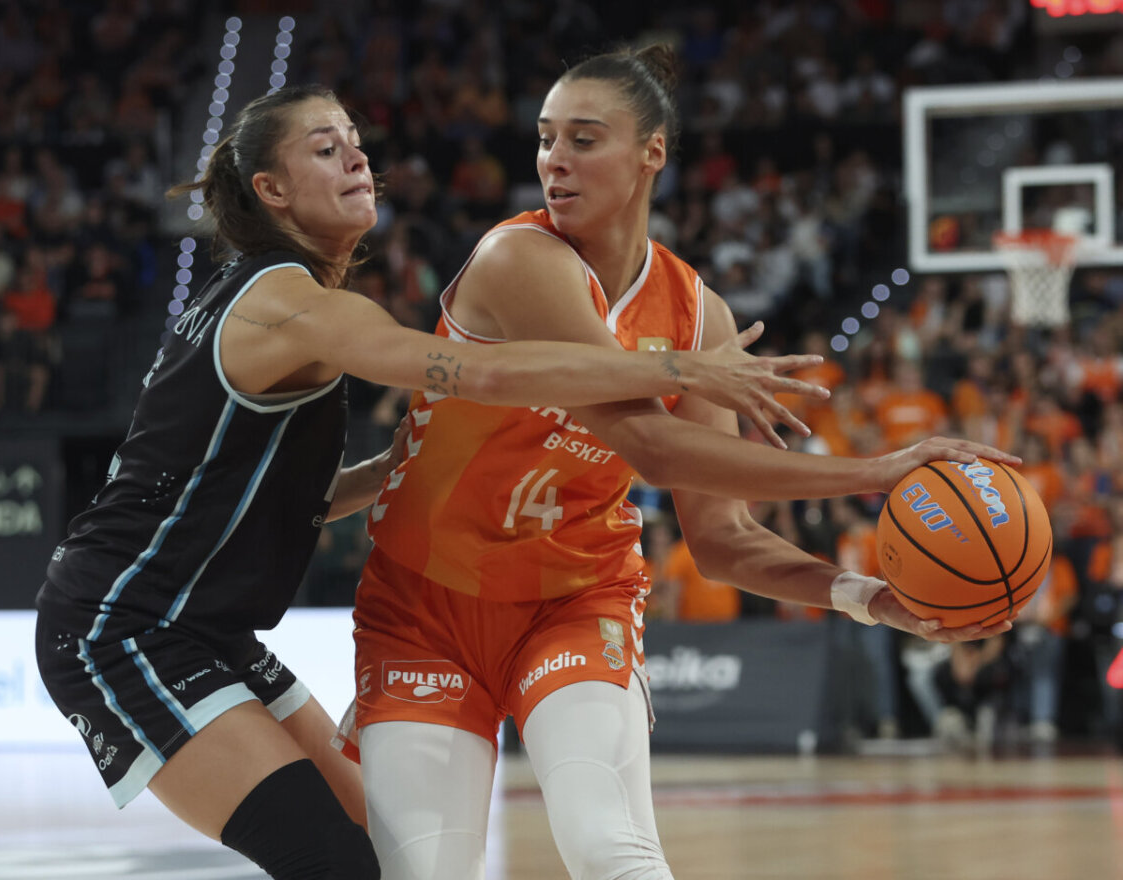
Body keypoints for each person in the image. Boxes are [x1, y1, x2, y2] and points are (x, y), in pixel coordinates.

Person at [32, 84, 835, 880]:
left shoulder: (279, 294)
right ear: (271, 192)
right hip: (121, 626)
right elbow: (481, 373)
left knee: (384, 862)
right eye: (325, 148)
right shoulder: (295, 305)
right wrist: (674, 366)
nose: (357, 156)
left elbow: (270, 492)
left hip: (202, 626)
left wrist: (396, 471)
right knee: (333, 865)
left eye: (355, 139)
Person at [345, 46, 1020, 880]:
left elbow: (722, 539)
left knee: (610, 850)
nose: (555, 159)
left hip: (573, 599)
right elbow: (652, 448)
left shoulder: (701, 316)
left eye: (585, 139)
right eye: (548, 138)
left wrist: (868, 597)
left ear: (652, 152)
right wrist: (878, 472)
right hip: (424, 608)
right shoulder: (516, 260)